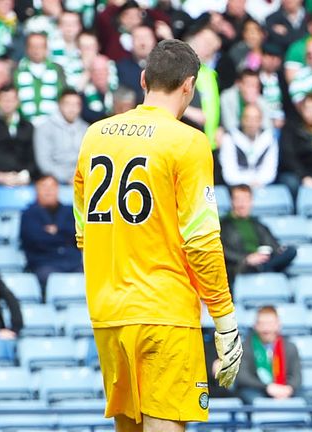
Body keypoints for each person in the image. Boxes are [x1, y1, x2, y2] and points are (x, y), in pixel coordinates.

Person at [73, 39, 242, 431]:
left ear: (145, 79)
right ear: (189, 86)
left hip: (109, 314)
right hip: (164, 314)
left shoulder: (95, 135)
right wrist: (225, 320)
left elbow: (83, 231)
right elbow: (201, 241)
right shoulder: (188, 142)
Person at [220, 184, 297, 284]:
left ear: (251, 202)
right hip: (240, 266)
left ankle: (262, 269)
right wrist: (247, 259)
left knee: (290, 251)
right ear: (232, 202)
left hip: (263, 261)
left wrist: (272, 251)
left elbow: (272, 244)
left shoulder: (257, 224)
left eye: (246, 200)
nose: (242, 204)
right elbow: (224, 251)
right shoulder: (223, 224)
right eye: (238, 199)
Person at [20, 175, 82, 296]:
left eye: (52, 186)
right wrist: (62, 234)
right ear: (36, 190)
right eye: (44, 187)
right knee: (49, 277)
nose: (48, 191)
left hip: (73, 263)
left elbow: (76, 234)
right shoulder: (29, 214)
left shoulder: (70, 211)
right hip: (44, 264)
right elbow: (35, 239)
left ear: (58, 189)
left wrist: (55, 232)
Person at [235, 305, 302, 404]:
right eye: (262, 324)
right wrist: (267, 387)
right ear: (255, 326)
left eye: (270, 324)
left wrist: (288, 389)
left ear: (278, 325)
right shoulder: (244, 347)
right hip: (256, 390)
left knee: (305, 401)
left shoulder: (290, 347)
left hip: (284, 389)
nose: (266, 329)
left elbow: (297, 377)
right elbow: (242, 377)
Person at [34, 89, 88, 184]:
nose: (72, 109)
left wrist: (80, 178)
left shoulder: (87, 129)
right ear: (59, 105)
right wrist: (67, 178)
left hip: (82, 180)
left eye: (76, 105)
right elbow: (44, 162)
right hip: (54, 181)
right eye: (68, 104)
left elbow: (88, 160)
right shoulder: (44, 128)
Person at [219, 104, 279, 187]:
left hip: (262, 186)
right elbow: (229, 174)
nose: (252, 124)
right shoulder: (230, 138)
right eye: (248, 119)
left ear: (261, 120)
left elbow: (270, 171)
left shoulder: (269, 138)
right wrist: (247, 183)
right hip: (237, 187)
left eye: (256, 119)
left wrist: (257, 182)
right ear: (242, 119)